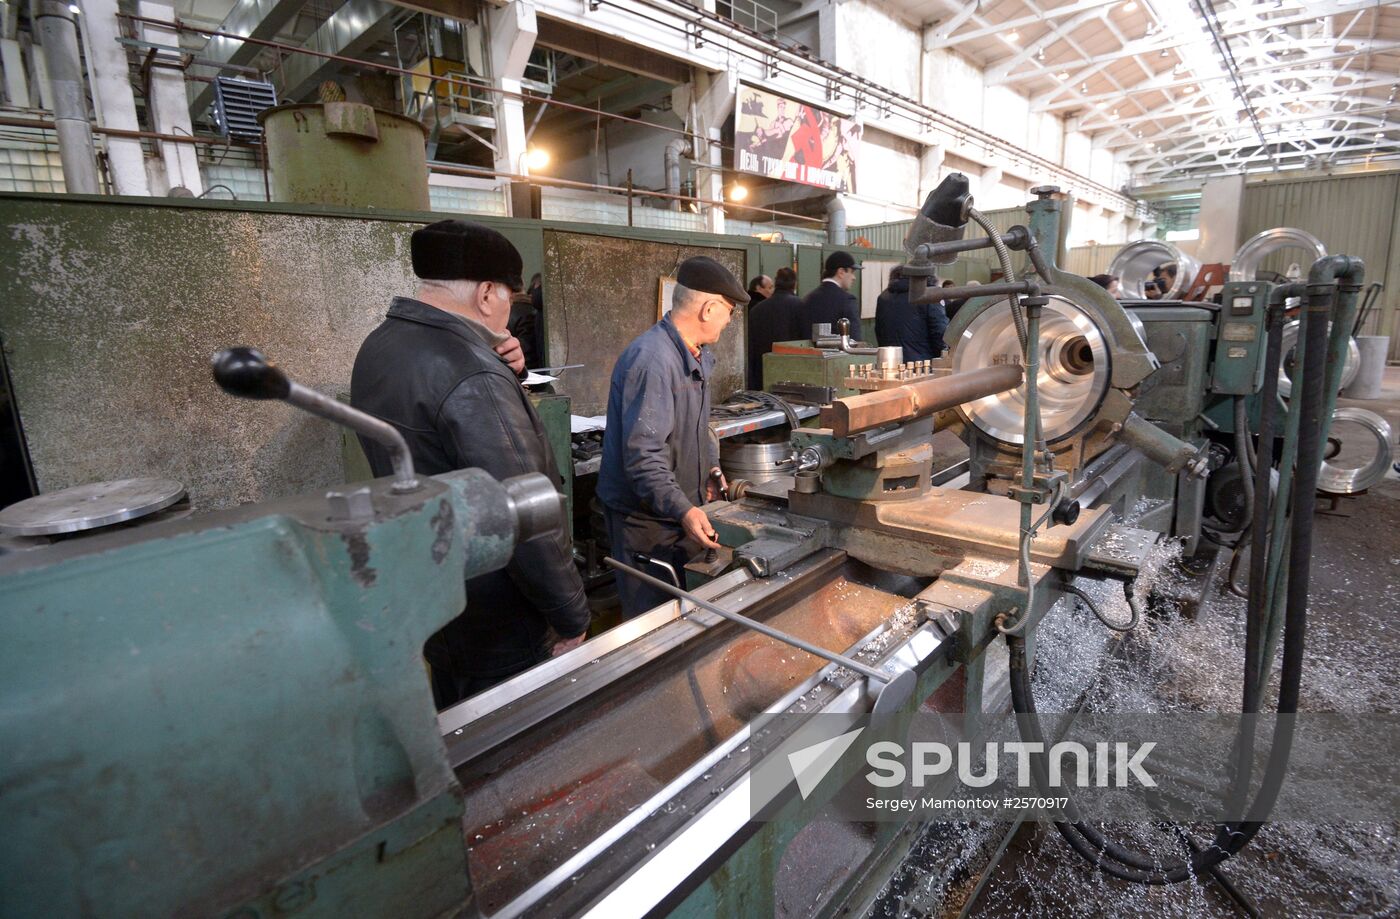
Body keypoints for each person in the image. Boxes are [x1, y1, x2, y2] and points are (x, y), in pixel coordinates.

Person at [350, 219, 590, 707]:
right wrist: (571, 615)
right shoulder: (473, 375)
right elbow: (523, 513)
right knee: (518, 751)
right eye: (507, 296)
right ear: (486, 294)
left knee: (460, 731)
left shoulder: (380, 347)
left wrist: (506, 371)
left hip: (438, 598)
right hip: (501, 619)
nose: (508, 307)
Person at [598, 256, 748, 618]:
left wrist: (709, 468)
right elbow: (643, 455)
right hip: (646, 523)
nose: (729, 321)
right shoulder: (653, 360)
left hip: (676, 511)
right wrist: (683, 508)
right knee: (653, 628)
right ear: (709, 308)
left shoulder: (695, 356)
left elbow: (696, 426)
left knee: (683, 615)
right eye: (729, 311)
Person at [746, 266, 802, 388]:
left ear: (776, 284)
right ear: (794, 284)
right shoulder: (801, 307)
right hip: (794, 375)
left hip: (761, 375)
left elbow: (750, 348)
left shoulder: (756, 310)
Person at [875, 267, 946, 361]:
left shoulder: (883, 297)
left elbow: (879, 330)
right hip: (922, 364)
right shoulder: (929, 295)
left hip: (890, 361)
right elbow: (940, 332)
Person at [799, 250, 862, 340]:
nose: (854, 277)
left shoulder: (807, 299)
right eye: (851, 272)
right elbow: (855, 341)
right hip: (840, 354)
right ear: (841, 272)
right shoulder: (847, 301)